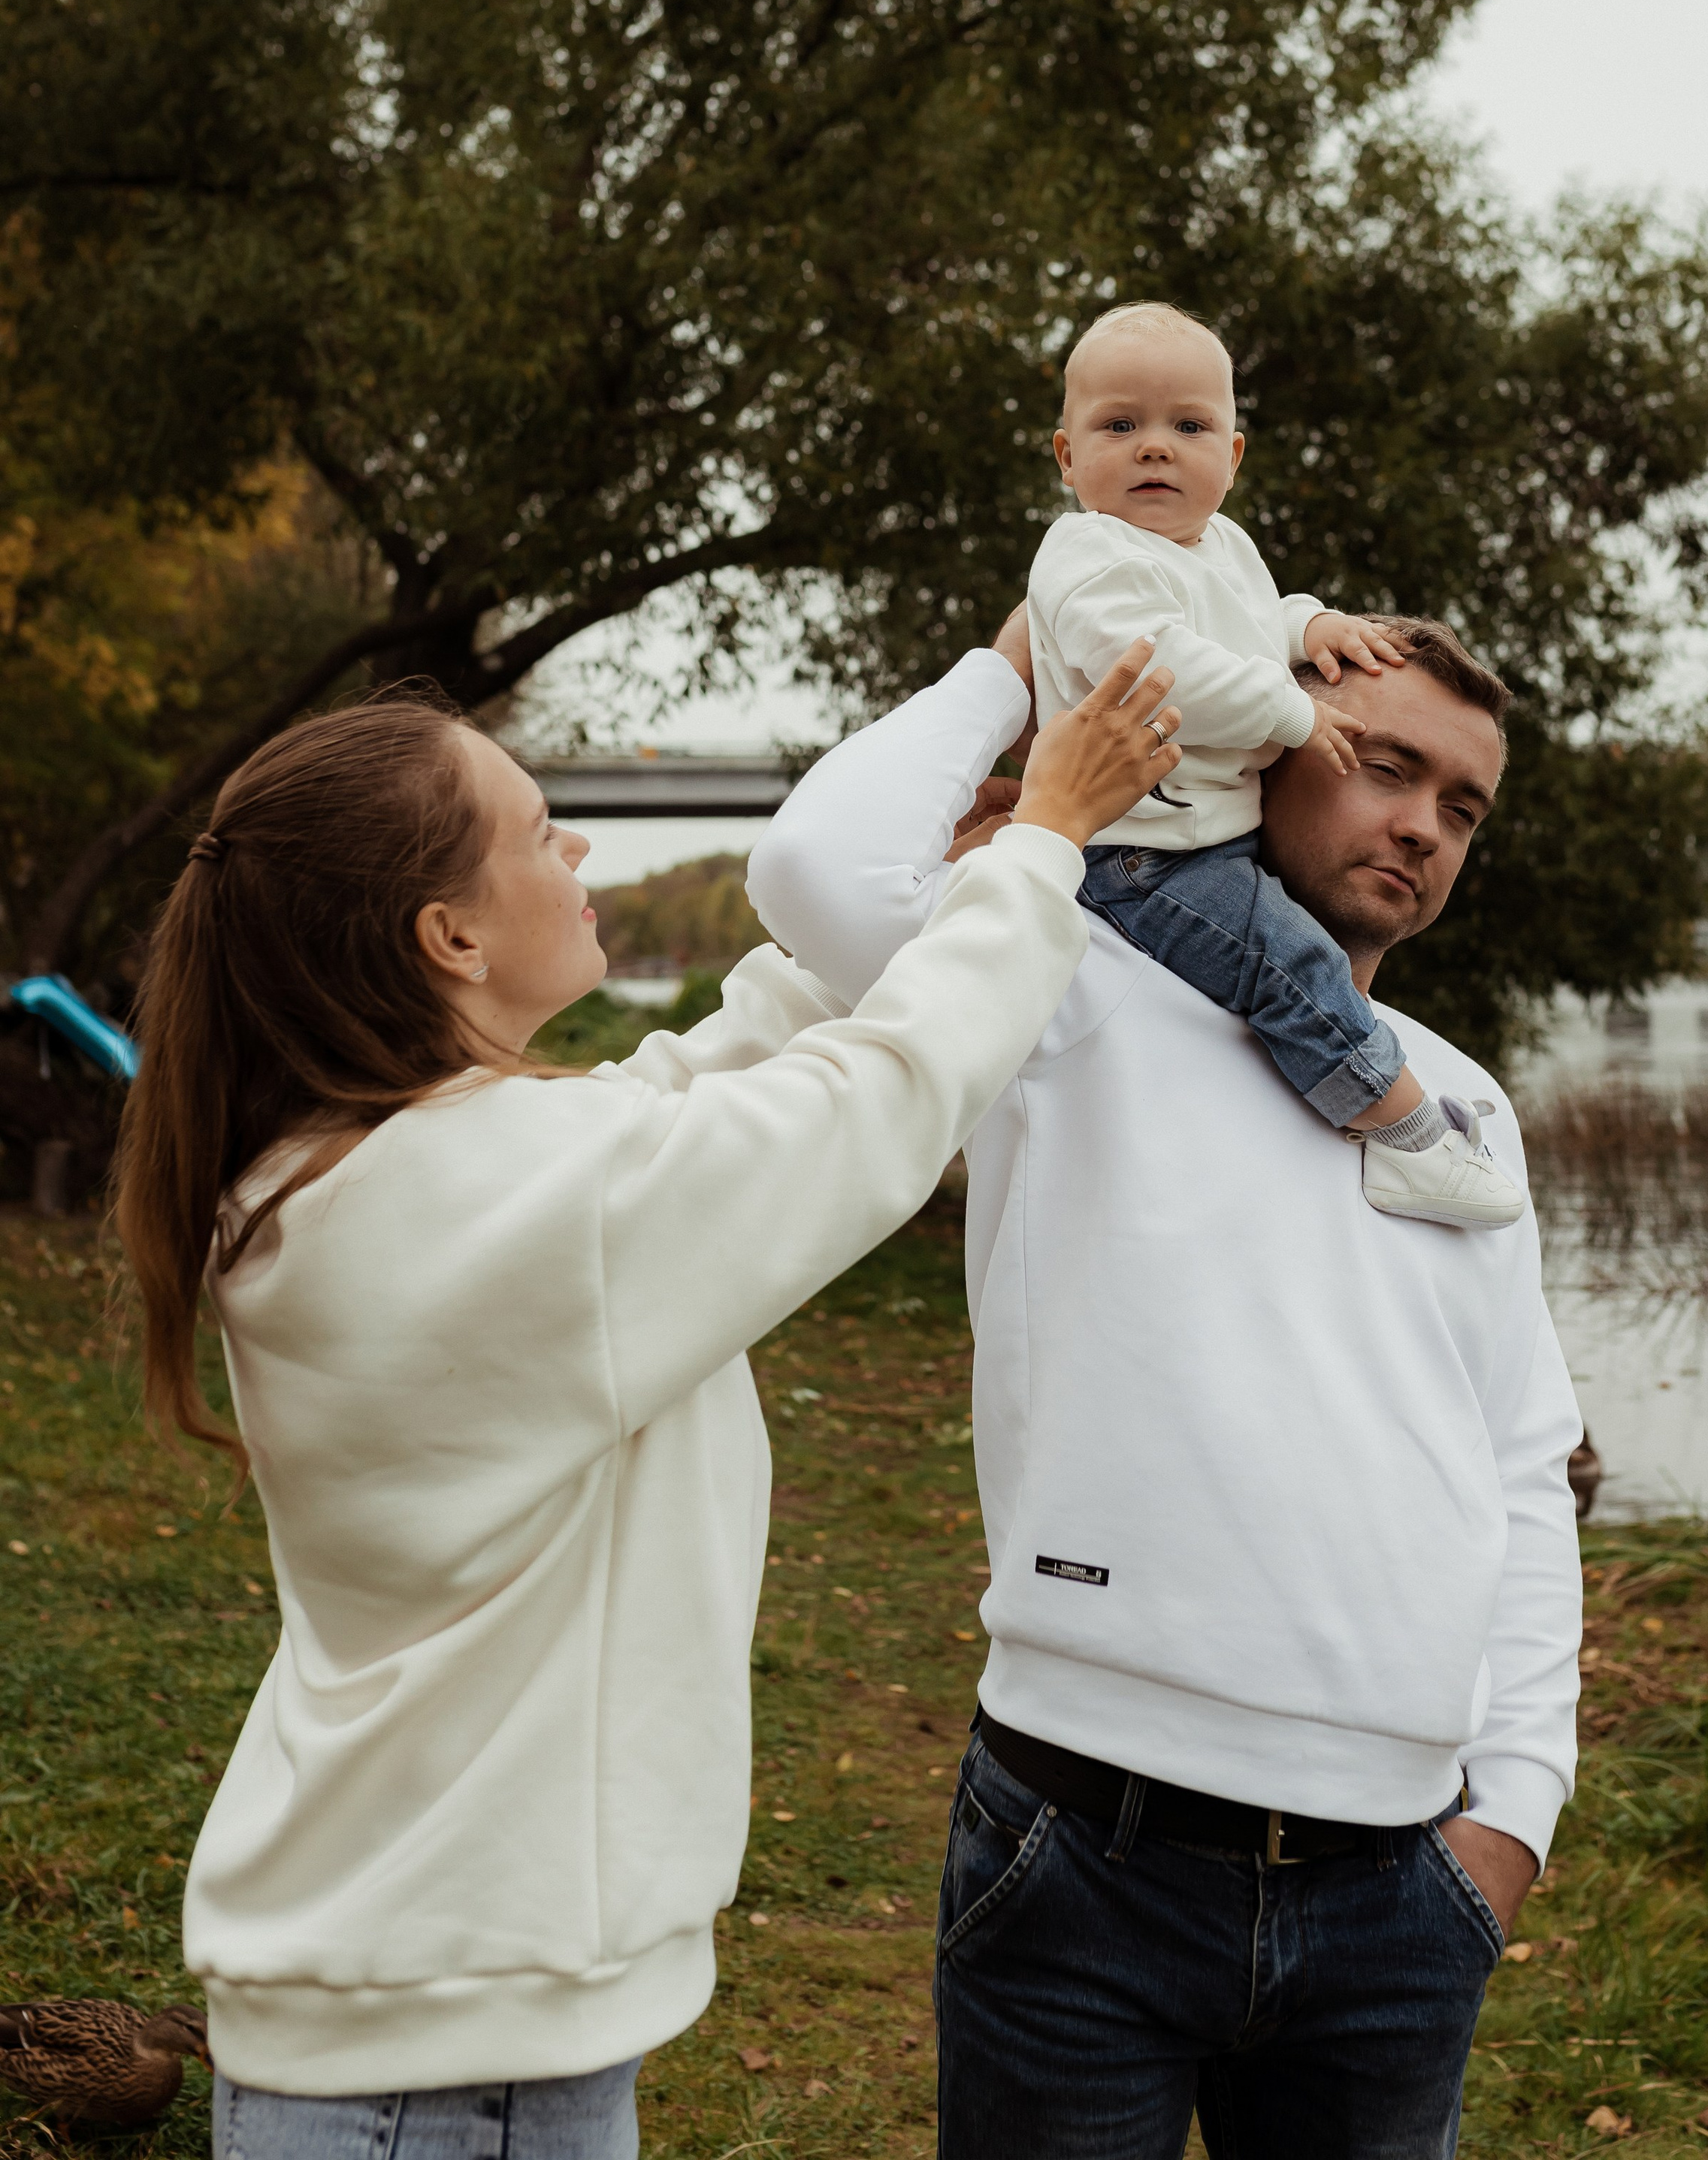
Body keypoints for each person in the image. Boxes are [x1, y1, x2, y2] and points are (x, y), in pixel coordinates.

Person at [110, 655, 1181, 2158]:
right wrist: (1050, 841)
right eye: (542, 831)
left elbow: (678, 1106)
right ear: (449, 936)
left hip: (418, 2011)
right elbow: (871, 1108)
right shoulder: (493, 1199)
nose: (579, 854)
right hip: (448, 2062)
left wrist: (905, 917)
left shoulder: (358, 1172)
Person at [748, 611, 1584, 2160]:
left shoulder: (1457, 1102)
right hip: (1082, 1851)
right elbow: (816, 871)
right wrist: (1034, 644)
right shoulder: (1065, 982)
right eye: (1381, 765)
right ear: (1260, 746)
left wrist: (1511, 1814)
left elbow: (1521, 1466)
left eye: (1458, 803)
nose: (1417, 822)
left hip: (1398, 1892)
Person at [1030, 299, 1521, 1227]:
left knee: (1282, 951)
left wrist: (1310, 626)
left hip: (1199, 840)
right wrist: (1293, 711)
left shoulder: (1220, 549)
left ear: (1233, 455)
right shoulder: (1085, 554)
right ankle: (1400, 1133)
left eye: (1188, 426)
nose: (1154, 448)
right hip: (1142, 854)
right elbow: (1155, 658)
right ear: (1067, 457)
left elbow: (1250, 627)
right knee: (1284, 959)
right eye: (1119, 425)